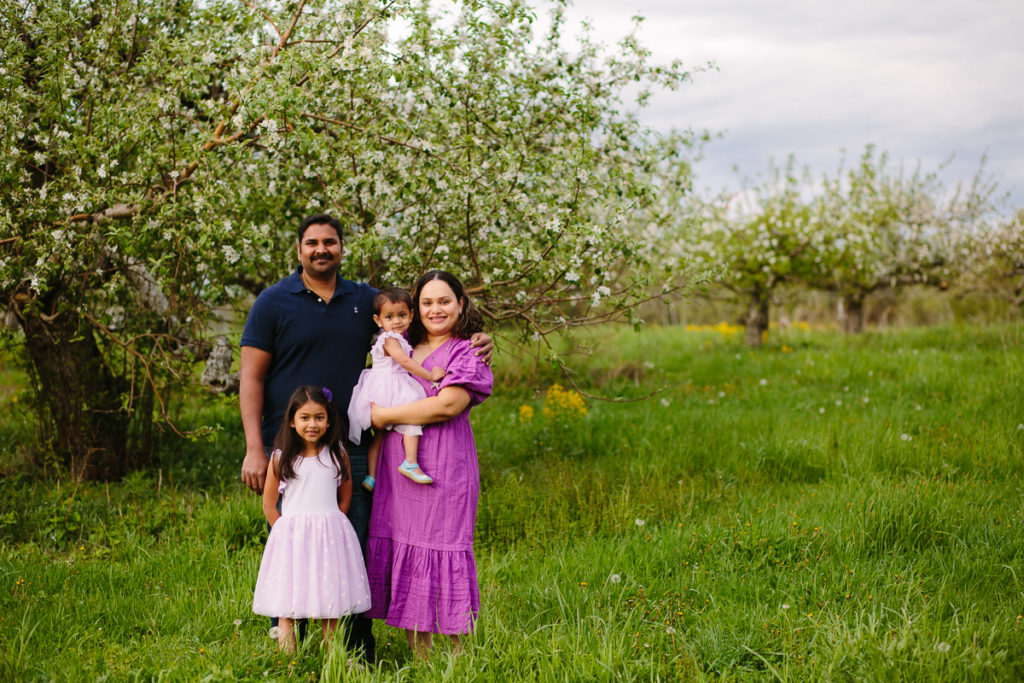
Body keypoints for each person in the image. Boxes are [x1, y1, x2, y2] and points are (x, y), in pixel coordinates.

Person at [239, 214, 492, 662]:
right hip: (290, 449)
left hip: (350, 446)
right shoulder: (272, 302)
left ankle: (356, 651)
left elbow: (420, 329)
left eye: (330, 242)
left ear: (341, 248)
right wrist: (255, 449)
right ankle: (287, 646)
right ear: (298, 249)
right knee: (292, 540)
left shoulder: (363, 300)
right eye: (312, 243)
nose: (321, 249)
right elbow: (251, 377)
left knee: (350, 541)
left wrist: (479, 337)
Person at [365, 270, 494, 658]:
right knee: (404, 543)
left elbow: (448, 405)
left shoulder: (466, 350)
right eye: (426, 302)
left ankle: (455, 655)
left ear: (460, 304)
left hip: (444, 464)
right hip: (397, 465)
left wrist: (384, 417)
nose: (435, 309)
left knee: (441, 544)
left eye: (444, 301)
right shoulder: (402, 345)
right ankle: (420, 656)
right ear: (415, 307)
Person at [252, 386, 371, 652]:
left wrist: (329, 526)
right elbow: (269, 504)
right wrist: (284, 532)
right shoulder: (281, 459)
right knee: (289, 605)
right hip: (293, 541)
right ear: (292, 422)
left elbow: (344, 500)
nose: (312, 424)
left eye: (319, 417)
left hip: (329, 539)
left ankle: (334, 661)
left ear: (329, 421)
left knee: (330, 604)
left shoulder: (338, 455)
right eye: (304, 418)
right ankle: (287, 664)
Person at [347, 288, 444, 491]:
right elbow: (404, 361)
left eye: (401, 315)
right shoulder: (390, 339)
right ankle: (410, 462)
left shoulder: (392, 337)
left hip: (381, 385)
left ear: (411, 315)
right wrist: (430, 375)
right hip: (389, 386)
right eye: (389, 317)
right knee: (412, 418)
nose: (397, 321)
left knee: (380, 435)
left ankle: (371, 476)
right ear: (378, 320)